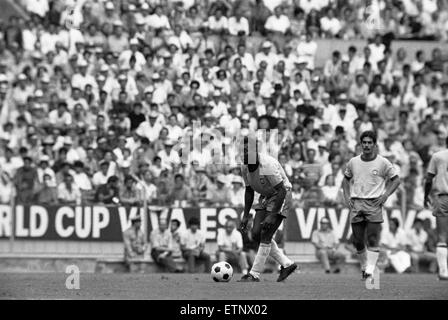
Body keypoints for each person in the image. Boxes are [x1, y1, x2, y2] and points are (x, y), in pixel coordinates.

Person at [342, 130, 400, 282]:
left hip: (374, 203)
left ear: (375, 145)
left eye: (370, 143)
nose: (367, 145)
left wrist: (386, 195)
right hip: (356, 202)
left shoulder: (383, 162)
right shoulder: (353, 162)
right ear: (360, 144)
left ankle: (369, 270)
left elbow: (396, 180)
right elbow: (345, 180)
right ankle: (364, 267)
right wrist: (347, 196)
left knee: (373, 238)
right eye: (364, 142)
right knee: (358, 240)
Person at [238, 134, 297, 282]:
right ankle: (287, 264)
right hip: (265, 196)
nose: (244, 154)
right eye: (242, 150)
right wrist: (245, 215)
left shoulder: (267, 165)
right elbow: (249, 190)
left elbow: (282, 190)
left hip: (281, 195)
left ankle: (254, 274)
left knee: (265, 234)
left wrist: (273, 214)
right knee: (257, 233)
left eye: (247, 150)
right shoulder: (244, 166)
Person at [424, 136, 448, 280]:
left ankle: (444, 271)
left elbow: (428, 179)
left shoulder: (438, 156)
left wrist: (425, 196)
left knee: (442, 236)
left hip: (442, 197)